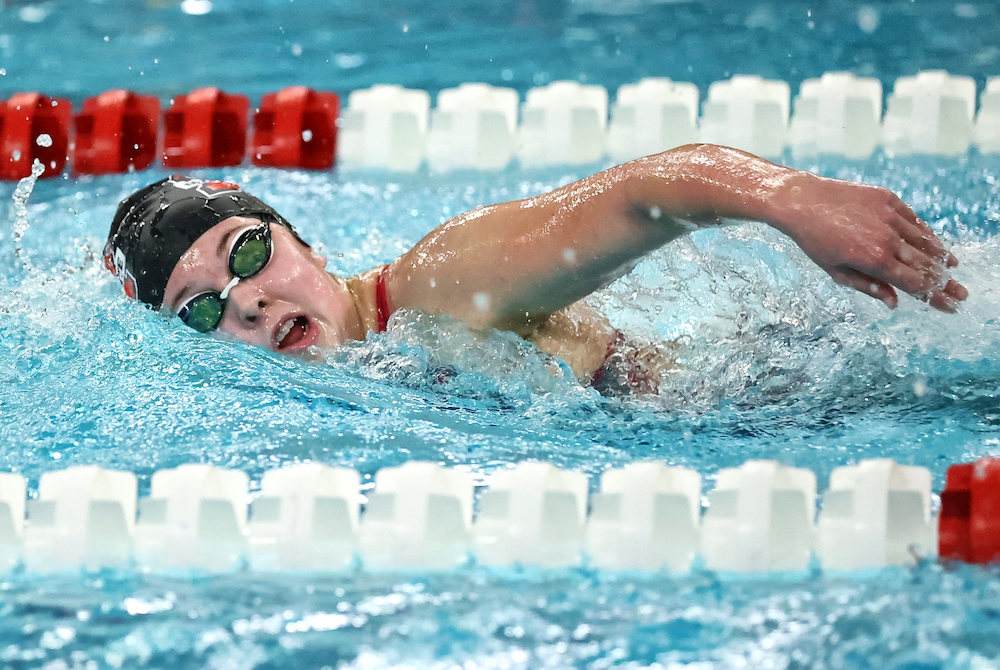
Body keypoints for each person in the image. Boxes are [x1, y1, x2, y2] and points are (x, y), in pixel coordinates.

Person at [104, 144, 968, 394]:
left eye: (249, 253)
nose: (247, 302)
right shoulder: (339, 375)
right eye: (201, 310)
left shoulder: (435, 286)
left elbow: (641, 193)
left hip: (798, 393)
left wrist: (791, 197)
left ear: (308, 245)